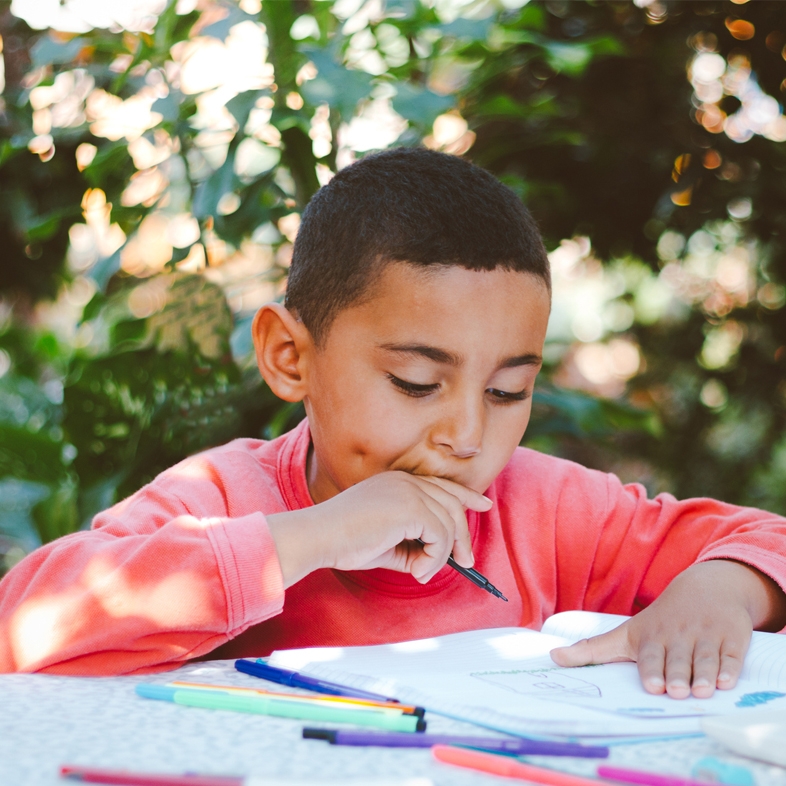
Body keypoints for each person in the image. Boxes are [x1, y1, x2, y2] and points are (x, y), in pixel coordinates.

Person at [1, 148, 785, 699]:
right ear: (288, 356)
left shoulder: (544, 511)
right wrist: (314, 538)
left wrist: (721, 591)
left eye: (508, 392)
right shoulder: (224, 497)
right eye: (417, 383)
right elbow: (23, 624)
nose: (467, 435)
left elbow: (761, 540)